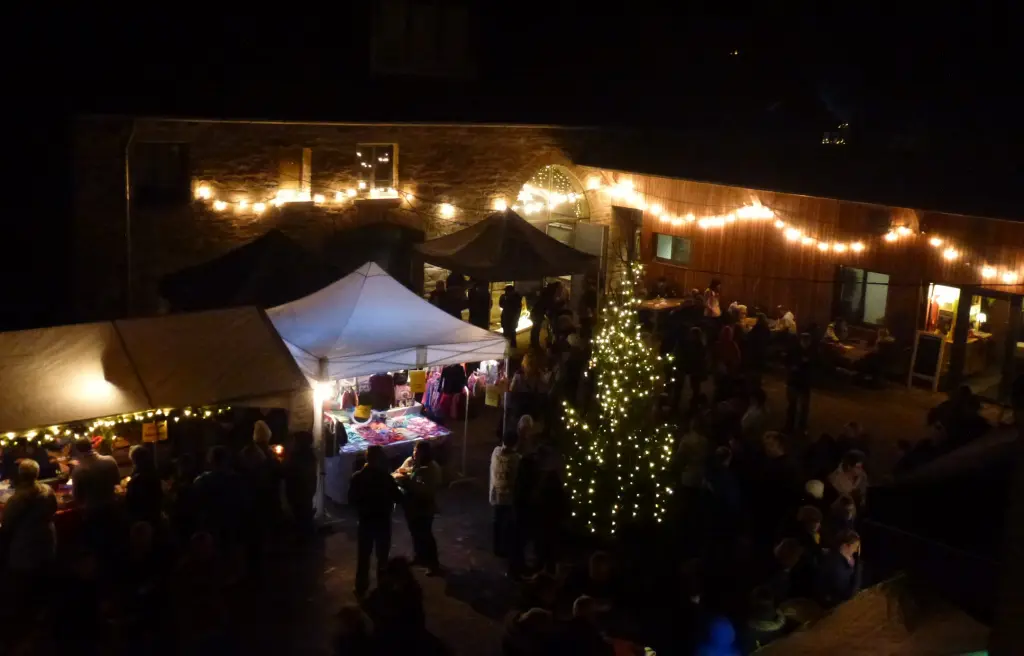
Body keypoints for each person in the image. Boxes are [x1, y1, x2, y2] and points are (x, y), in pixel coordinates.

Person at [0, 460, 58, 612]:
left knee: (26, 584)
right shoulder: (47, 490)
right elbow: (54, 508)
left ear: (20, 475)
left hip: (26, 546)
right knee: (44, 579)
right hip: (47, 540)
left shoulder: (17, 499)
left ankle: (28, 613)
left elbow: (7, 525)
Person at [348, 445, 403, 596]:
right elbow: (398, 497)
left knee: (363, 556)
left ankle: (361, 586)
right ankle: (383, 587)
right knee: (382, 557)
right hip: (382, 521)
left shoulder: (357, 477)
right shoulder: (385, 477)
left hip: (365, 521)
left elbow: (351, 500)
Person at [395, 441, 442, 574]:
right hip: (409, 504)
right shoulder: (410, 461)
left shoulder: (431, 469)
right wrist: (401, 476)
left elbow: (427, 490)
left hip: (424, 505)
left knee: (425, 534)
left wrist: (409, 482)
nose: (414, 454)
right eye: (414, 451)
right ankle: (419, 557)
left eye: (418, 452)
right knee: (415, 532)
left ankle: (433, 564)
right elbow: (397, 472)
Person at [490, 430, 522, 571]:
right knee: (508, 523)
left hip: (496, 494)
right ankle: (506, 548)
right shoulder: (516, 459)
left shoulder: (496, 452)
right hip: (508, 497)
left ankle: (497, 547)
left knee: (497, 521)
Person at [815, 529, 863, 608]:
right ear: (845, 546)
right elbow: (849, 594)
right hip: (833, 605)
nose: (856, 550)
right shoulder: (836, 566)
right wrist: (858, 564)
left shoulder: (845, 558)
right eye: (855, 547)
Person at [70, 437, 120, 510]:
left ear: (78, 451)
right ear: (91, 446)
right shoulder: (110, 460)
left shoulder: (78, 470)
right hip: (113, 506)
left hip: (92, 510)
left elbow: (76, 496)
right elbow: (117, 482)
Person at [284, 431, 317, 537]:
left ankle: (304, 537)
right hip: (306, 492)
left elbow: (291, 473)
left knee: (301, 517)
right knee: (305, 515)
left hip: (299, 492)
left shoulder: (297, 457)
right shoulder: (309, 455)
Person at [784, 332, 814, 436]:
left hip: (803, 382)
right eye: (804, 341)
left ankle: (801, 427)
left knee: (803, 407)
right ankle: (790, 426)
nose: (806, 343)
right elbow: (787, 362)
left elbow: (816, 365)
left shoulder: (811, 352)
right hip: (795, 381)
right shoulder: (795, 350)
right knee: (792, 405)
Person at [125, 444, 163, 525]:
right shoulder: (154, 474)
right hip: (155, 517)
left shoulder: (137, 480)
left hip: (141, 519)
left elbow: (130, 502)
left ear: (135, 461)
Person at [677, 326, 709, 410]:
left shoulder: (698, 346)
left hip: (696, 370)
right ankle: (694, 404)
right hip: (694, 369)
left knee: (695, 387)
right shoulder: (694, 345)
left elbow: (698, 358)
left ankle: (694, 405)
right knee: (694, 387)